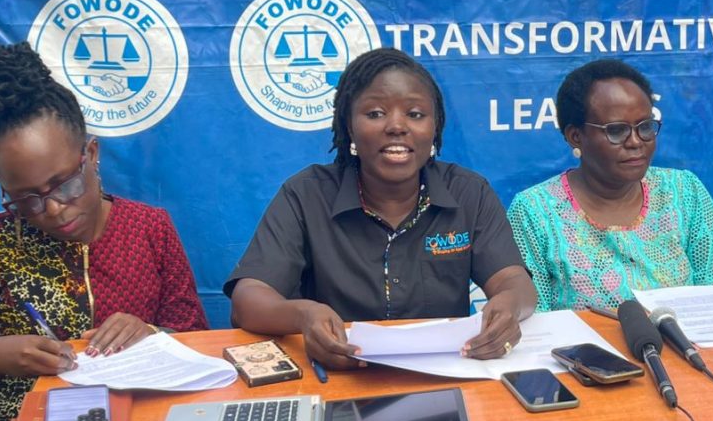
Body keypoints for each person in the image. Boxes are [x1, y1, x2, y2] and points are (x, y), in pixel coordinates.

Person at [226, 48, 536, 369]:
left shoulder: (469, 192)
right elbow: (249, 297)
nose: (397, 126)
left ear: (435, 127)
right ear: (349, 127)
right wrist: (303, 314)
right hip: (342, 374)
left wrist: (508, 307)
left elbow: (514, 281)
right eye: (375, 113)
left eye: (415, 114)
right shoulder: (307, 194)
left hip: (448, 372)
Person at [0, 42, 208, 421]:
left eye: (64, 184)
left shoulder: (150, 228)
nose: (54, 209)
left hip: (141, 420)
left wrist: (152, 334)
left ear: (91, 154)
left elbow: (196, 339)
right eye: (26, 199)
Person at [508, 59, 713, 312]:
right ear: (575, 136)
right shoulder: (534, 212)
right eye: (616, 131)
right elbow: (532, 316)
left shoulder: (683, 191)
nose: (636, 142)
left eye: (645, 127)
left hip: (689, 347)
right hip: (587, 351)